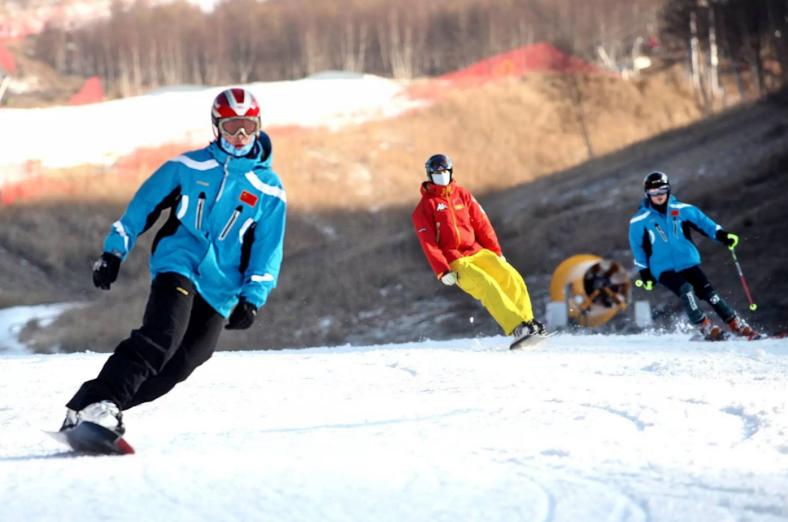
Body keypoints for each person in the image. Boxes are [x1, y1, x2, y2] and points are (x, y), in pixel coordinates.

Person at [60, 87, 287, 434]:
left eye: (247, 126)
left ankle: (92, 407)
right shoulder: (187, 167)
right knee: (161, 336)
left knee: (180, 364)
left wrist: (252, 298)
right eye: (230, 127)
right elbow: (142, 208)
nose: (240, 136)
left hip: (220, 287)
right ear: (216, 126)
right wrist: (113, 251)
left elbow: (267, 250)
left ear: (258, 125)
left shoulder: (268, 189)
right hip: (177, 264)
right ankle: (101, 403)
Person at [411, 153, 544, 349]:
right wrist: (442, 271)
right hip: (455, 260)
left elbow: (482, 224)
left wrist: (496, 252)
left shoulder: (462, 195)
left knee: (510, 276)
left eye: (445, 172)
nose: (442, 176)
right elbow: (428, 242)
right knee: (487, 285)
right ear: (430, 175)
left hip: (477, 252)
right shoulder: (424, 207)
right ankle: (517, 327)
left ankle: (528, 323)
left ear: (451, 172)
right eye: (437, 173)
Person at [629, 171, 757, 340]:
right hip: (663, 268)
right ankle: (705, 326)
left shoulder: (682, 210)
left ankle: (736, 324)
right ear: (647, 194)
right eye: (654, 193)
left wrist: (723, 236)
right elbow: (638, 249)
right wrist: (645, 273)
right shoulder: (639, 220)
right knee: (685, 289)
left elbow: (705, 224)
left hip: (687, 262)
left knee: (710, 294)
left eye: (662, 191)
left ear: (668, 190)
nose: (659, 196)